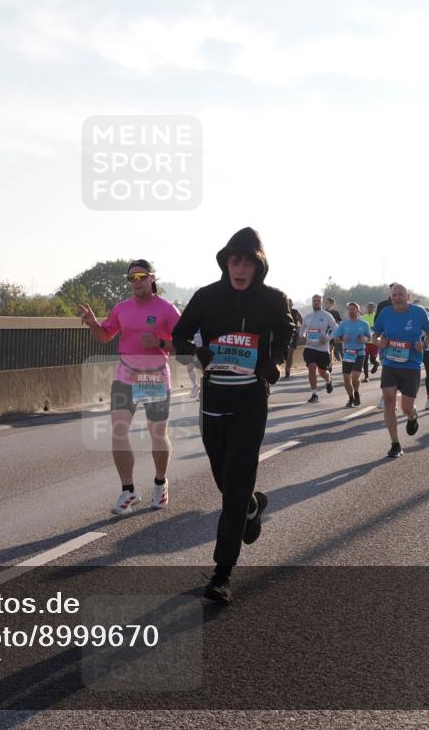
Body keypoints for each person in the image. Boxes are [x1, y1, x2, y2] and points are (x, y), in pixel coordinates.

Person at [171, 227, 295, 604]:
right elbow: (179, 336)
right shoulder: (207, 297)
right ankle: (252, 506)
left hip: (251, 400)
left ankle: (222, 573)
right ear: (225, 263)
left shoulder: (274, 299)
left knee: (236, 484)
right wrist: (199, 354)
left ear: (259, 266)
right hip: (213, 399)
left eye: (247, 262)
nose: (240, 269)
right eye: (234, 261)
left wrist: (272, 362)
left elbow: (288, 330)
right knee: (224, 479)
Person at [81, 260, 181, 514]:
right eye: (131, 278)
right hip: (126, 376)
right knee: (118, 431)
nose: (136, 282)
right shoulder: (121, 308)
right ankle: (128, 490)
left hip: (154, 377)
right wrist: (94, 324)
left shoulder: (167, 310)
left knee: (157, 434)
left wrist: (160, 341)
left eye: (141, 276)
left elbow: (184, 346)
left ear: (152, 278)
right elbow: (105, 336)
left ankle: (160, 483)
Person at [372, 283, 429, 458]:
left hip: (411, 365)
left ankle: (412, 416)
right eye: (394, 295)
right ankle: (395, 444)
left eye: (401, 294)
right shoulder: (385, 313)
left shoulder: (418, 312)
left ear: (408, 296)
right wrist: (378, 342)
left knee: (406, 408)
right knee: (389, 400)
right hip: (390, 363)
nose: (397, 297)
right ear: (390, 297)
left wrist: (424, 343)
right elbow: (374, 334)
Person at [331, 302, 371, 407]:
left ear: (358, 311)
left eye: (353, 309)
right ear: (347, 311)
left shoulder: (364, 324)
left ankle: (356, 392)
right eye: (349, 309)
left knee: (355, 376)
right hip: (348, 353)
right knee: (346, 378)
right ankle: (351, 398)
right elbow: (335, 340)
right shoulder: (343, 324)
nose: (351, 311)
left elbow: (369, 337)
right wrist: (342, 338)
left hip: (360, 353)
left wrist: (364, 339)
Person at [300, 294, 337, 403]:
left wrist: (327, 338)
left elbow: (336, 330)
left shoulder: (327, 316)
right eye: (314, 300)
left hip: (323, 349)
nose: (316, 302)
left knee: (322, 372)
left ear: (321, 302)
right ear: (312, 302)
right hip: (310, 347)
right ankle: (314, 393)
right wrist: (302, 335)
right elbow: (302, 330)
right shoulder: (308, 316)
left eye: (318, 300)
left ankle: (328, 380)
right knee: (311, 368)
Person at [284, 300, 304, 379]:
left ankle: (287, 371)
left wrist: (302, 332)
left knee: (290, 353)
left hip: (293, 334)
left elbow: (303, 323)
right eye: (287, 303)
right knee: (284, 353)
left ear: (292, 304)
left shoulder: (296, 312)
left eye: (290, 304)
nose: (289, 305)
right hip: (283, 335)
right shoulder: (281, 311)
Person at [362, 302, 379, 381]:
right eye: (368, 307)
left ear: (374, 308)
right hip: (365, 342)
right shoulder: (363, 317)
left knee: (372, 360)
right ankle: (366, 376)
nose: (369, 309)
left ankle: (376, 364)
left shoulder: (377, 316)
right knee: (364, 360)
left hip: (374, 342)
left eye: (371, 307)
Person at [325, 297, 343, 364]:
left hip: (335, 333)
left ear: (332, 303)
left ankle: (331, 362)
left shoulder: (335, 312)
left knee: (333, 349)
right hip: (326, 333)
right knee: (328, 349)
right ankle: (329, 362)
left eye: (327, 302)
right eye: (325, 302)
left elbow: (339, 322)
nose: (326, 304)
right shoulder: (324, 312)